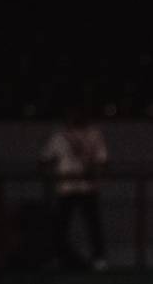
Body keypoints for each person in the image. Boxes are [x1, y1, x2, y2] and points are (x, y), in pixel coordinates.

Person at [39, 109, 109, 269]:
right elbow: (44, 159)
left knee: (93, 224)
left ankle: (99, 258)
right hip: (66, 187)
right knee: (60, 225)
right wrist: (52, 173)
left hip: (87, 187)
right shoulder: (59, 136)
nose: (75, 117)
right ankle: (59, 257)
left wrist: (94, 172)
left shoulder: (94, 134)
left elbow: (102, 160)